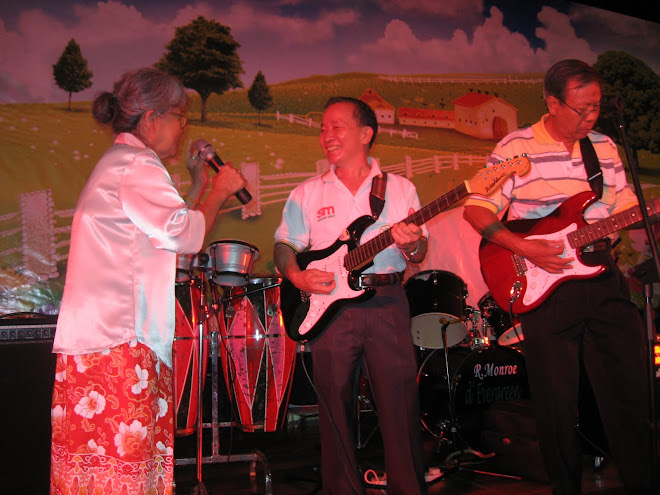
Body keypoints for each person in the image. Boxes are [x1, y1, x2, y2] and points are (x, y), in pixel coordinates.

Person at [50, 67, 246, 494]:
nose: (184, 128)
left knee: (96, 466)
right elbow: (188, 235)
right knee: (128, 467)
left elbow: (165, 232)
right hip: (120, 342)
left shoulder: (120, 162)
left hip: (101, 341)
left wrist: (197, 183)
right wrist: (219, 191)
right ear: (153, 119)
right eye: (181, 117)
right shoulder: (137, 164)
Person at [463, 59, 654, 495]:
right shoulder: (517, 145)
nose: (592, 117)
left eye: (597, 107)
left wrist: (638, 217)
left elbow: (623, 206)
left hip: (602, 277)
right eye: (582, 109)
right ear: (552, 102)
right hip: (546, 286)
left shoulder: (604, 146)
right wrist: (523, 246)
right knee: (556, 402)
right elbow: (476, 208)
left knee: (629, 394)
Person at [274, 96, 429, 495]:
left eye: (336, 126)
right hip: (330, 312)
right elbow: (285, 243)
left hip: (388, 303)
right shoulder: (307, 192)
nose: (327, 135)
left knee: (400, 406)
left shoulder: (400, 188)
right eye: (323, 128)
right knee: (334, 409)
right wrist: (296, 276)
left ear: (365, 134)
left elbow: (418, 253)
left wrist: (411, 245)